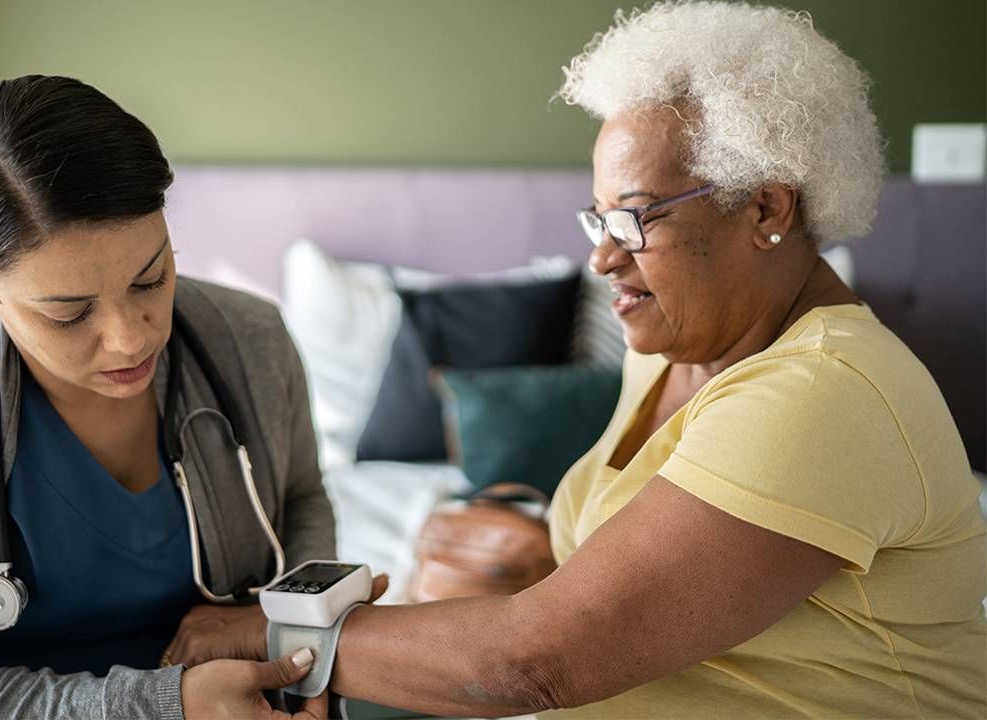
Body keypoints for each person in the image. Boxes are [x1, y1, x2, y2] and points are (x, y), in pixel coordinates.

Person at [205, 3, 987, 717]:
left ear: (766, 208)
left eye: (636, 219)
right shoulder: (676, 349)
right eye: (598, 219)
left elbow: (532, 661)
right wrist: (535, 554)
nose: (603, 259)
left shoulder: (823, 392)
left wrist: (254, 635)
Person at [0, 75, 346, 720]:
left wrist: (286, 636)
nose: (128, 340)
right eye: (69, 313)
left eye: (151, 279)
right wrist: (161, 706)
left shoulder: (250, 341)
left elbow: (300, 499)